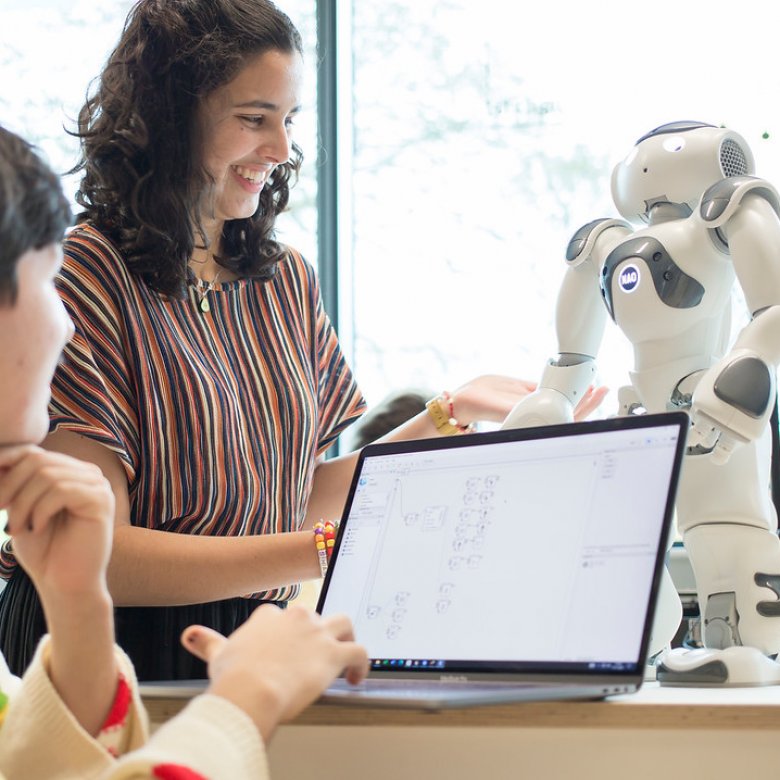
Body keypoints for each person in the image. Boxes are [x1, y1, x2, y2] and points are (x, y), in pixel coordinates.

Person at [0, 0, 606, 681]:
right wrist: (326, 550)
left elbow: (293, 494)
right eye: (255, 119)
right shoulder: (85, 272)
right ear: (171, 118)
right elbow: (93, 549)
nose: (283, 149)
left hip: (250, 634)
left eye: (288, 121)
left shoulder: (284, 279)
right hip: (114, 644)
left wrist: (447, 417)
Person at [0, 122, 368, 779]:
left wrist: (80, 606)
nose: (64, 322)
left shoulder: (286, 280)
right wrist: (248, 696)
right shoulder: (104, 272)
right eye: (48, 277)